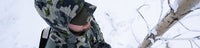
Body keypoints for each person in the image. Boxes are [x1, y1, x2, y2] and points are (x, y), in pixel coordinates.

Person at [34, 0, 111, 48]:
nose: (88, 23)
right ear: (61, 25)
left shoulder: (85, 17)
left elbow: (97, 33)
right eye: (78, 20)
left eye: (83, 12)